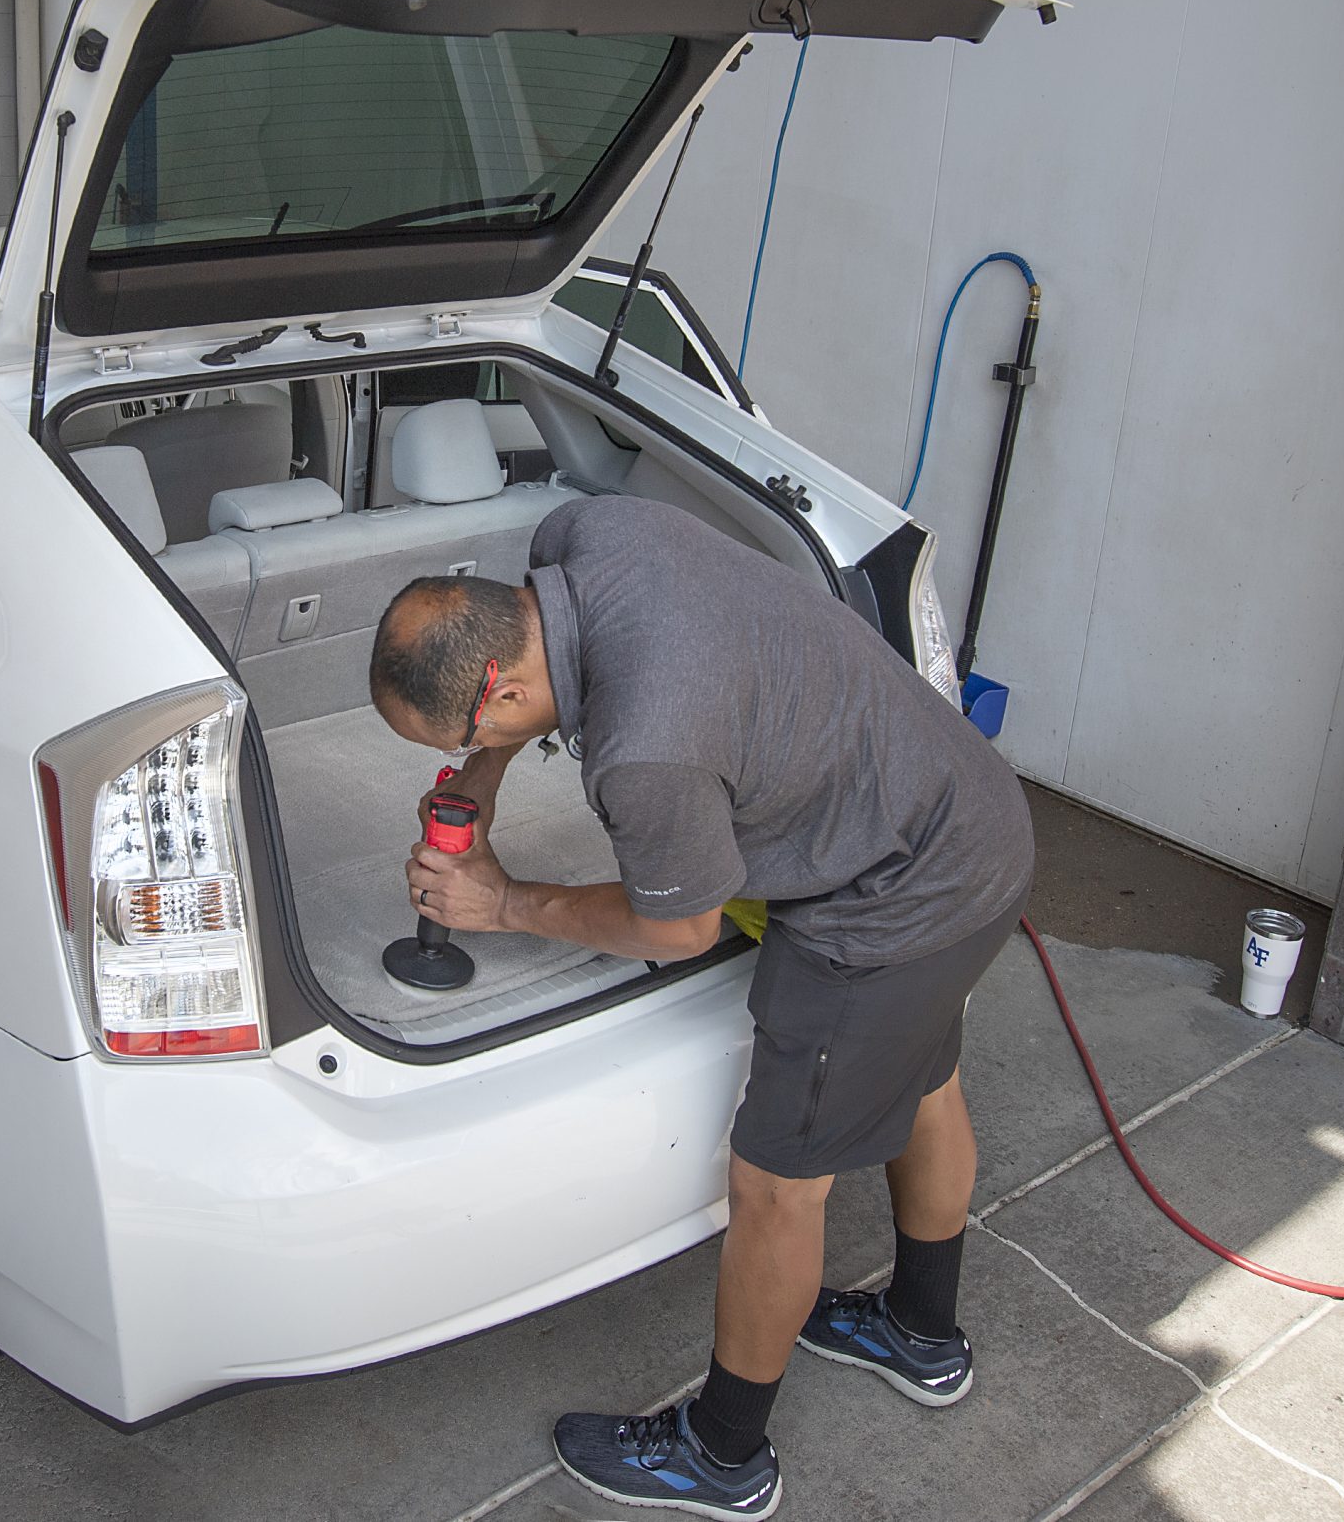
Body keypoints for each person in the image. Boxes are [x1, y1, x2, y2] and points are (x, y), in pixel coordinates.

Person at [368, 494, 1034, 1520]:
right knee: (924, 1069)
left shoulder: (645, 750)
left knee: (776, 1183)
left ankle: (723, 1458)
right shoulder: (592, 533)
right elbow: (527, 672)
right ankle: (920, 1331)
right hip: (966, 811)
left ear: (496, 688)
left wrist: (500, 902)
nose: (451, 760)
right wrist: (483, 774)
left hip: (890, 902)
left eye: (450, 741)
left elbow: (678, 926)